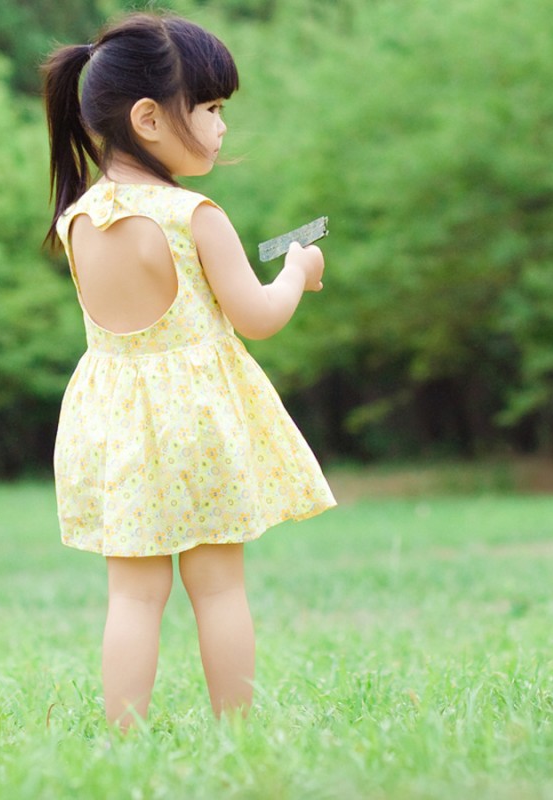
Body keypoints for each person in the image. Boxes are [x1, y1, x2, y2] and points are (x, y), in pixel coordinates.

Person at [41, 12, 336, 730]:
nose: (221, 126)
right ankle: (236, 728)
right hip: (193, 421)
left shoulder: (78, 218)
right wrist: (298, 270)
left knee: (133, 597)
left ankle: (125, 735)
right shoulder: (193, 214)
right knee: (218, 587)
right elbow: (257, 315)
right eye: (210, 108)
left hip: (114, 421)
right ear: (148, 117)